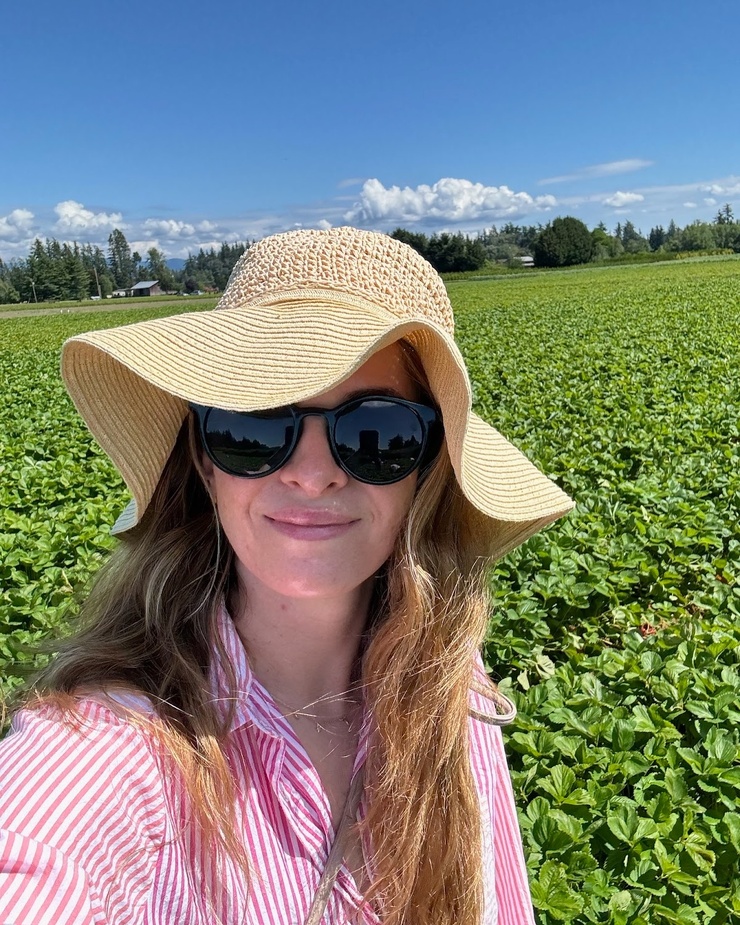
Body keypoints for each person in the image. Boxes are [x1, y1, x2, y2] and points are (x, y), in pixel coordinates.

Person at [0, 227, 572, 925]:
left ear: (425, 470)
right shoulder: (105, 752)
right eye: (256, 426)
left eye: (378, 433)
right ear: (204, 460)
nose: (311, 473)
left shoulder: (449, 682)